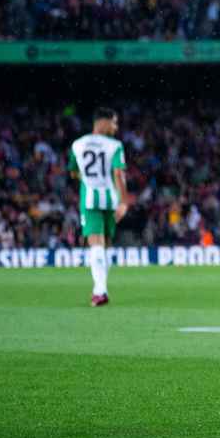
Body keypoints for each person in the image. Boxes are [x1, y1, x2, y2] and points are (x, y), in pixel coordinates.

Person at [70, 109, 128, 306]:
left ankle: (100, 290)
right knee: (106, 244)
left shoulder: (77, 145)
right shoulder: (115, 146)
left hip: (90, 200)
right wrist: (124, 201)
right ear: (102, 122)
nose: (115, 127)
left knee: (96, 243)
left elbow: (73, 172)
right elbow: (118, 174)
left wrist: (87, 180)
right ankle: (101, 289)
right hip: (110, 199)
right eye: (114, 123)